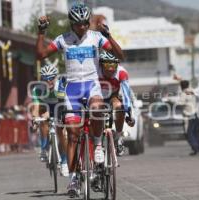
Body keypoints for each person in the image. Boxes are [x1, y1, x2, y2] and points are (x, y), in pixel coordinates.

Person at [35, 3, 124, 195]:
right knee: (73, 135)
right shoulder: (63, 40)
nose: (82, 27)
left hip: (92, 86)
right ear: (72, 23)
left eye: (85, 23)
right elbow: (40, 55)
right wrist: (41, 32)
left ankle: (98, 144)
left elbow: (120, 55)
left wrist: (109, 35)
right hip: (72, 91)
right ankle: (74, 178)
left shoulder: (96, 38)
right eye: (78, 24)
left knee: (98, 108)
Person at [31, 64, 69, 177]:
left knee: (61, 134)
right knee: (42, 121)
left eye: (51, 78)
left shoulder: (61, 86)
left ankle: (64, 162)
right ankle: (44, 148)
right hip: (46, 107)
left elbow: (65, 105)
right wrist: (34, 119)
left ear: (56, 77)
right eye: (45, 79)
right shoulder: (37, 89)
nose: (48, 81)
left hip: (60, 107)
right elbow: (36, 107)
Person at [98, 51, 135, 155]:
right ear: (100, 64)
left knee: (120, 107)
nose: (110, 68)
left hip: (113, 96)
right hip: (98, 97)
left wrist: (128, 112)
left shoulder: (121, 72)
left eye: (113, 64)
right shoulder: (95, 71)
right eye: (107, 64)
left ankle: (118, 137)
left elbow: (126, 93)